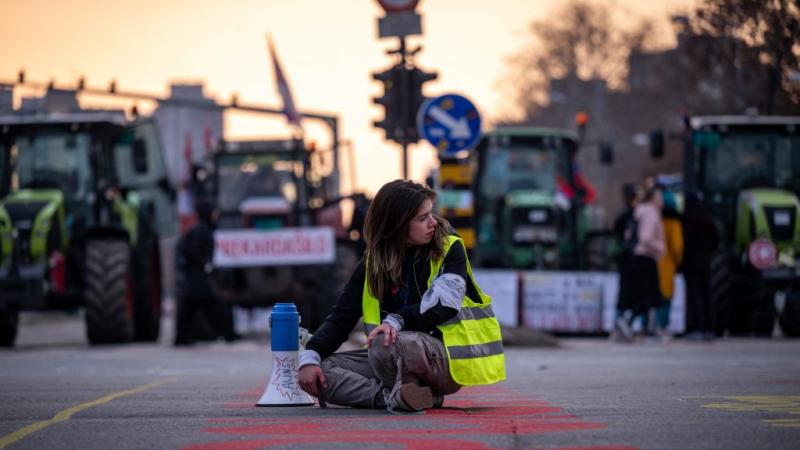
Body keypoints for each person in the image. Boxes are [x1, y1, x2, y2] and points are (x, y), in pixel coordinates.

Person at [297, 180, 506, 413]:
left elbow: (444, 304)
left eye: (431, 213)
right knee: (321, 373)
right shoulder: (371, 264)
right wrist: (310, 357)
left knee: (384, 343)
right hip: (389, 358)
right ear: (396, 225)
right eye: (422, 218)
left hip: (443, 361)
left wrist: (396, 320)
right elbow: (341, 317)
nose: (433, 222)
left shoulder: (449, 248)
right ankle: (397, 398)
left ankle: (403, 393)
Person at [174, 199, 240, 346]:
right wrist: (205, 264)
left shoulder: (202, 229)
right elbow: (192, 251)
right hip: (196, 276)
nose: (217, 216)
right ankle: (228, 334)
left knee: (190, 308)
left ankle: (182, 337)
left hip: (195, 277)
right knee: (213, 305)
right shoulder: (201, 231)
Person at [616, 182, 665, 341]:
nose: (662, 200)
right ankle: (634, 323)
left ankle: (645, 327)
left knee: (645, 295)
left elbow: (627, 236)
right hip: (647, 256)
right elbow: (646, 238)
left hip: (636, 257)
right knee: (651, 296)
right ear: (652, 199)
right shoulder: (651, 214)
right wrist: (661, 248)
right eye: (659, 197)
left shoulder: (637, 213)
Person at [682, 192, 719, 340]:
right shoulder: (708, 221)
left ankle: (696, 327)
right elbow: (715, 242)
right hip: (706, 263)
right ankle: (709, 327)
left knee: (694, 296)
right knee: (706, 294)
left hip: (691, 264)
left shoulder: (689, 222)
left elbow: (685, 244)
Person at [611, 183, 640, 341]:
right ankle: (620, 326)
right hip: (629, 260)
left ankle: (620, 326)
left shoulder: (627, 215)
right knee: (627, 294)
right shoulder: (630, 216)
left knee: (626, 295)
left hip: (628, 260)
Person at [655, 189, 684, 340]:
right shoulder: (674, 223)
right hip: (667, 264)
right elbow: (677, 247)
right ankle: (662, 327)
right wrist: (678, 262)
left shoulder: (655, 219)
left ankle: (648, 326)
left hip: (653, 262)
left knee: (651, 296)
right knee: (665, 296)